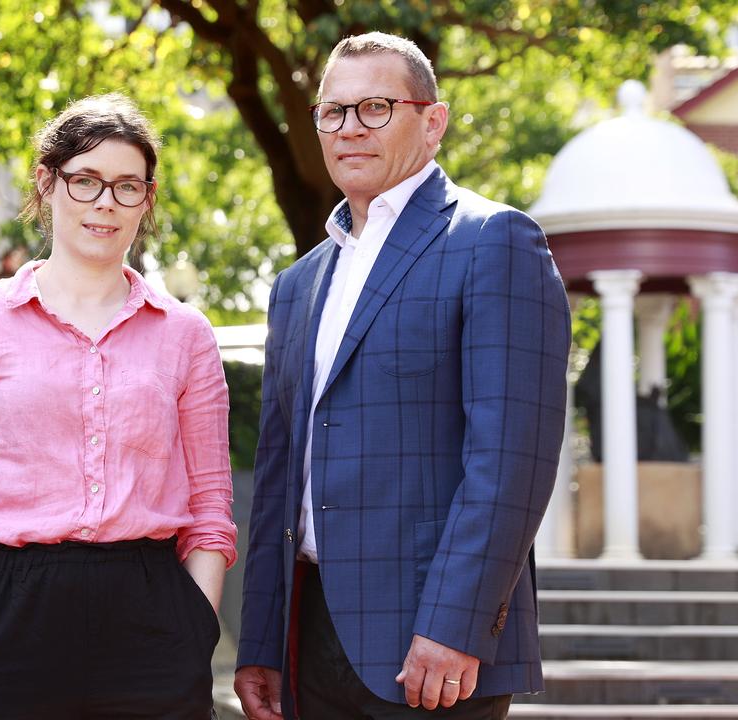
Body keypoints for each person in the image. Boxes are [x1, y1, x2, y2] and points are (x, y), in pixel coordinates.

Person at [234, 32, 571, 720]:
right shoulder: (297, 285)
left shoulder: (492, 242)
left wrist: (455, 625)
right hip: (309, 637)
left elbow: (510, 464)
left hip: (431, 647)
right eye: (334, 112)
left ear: (433, 121)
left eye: (376, 108)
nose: (350, 128)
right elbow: (278, 478)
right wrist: (261, 641)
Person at [0, 93, 236, 719]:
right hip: (4, 613)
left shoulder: (186, 334)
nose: (105, 203)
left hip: (152, 617)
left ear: (147, 198)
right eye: (85, 181)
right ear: (47, 183)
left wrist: (196, 624)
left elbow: (210, 504)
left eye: (127, 186)